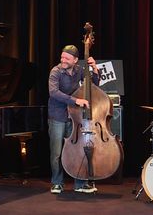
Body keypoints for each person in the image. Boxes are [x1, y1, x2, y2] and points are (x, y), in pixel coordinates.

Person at [48, 44, 101, 194]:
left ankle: (80, 184)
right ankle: (57, 183)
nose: (63, 60)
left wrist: (94, 69)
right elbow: (54, 92)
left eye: (67, 58)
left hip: (74, 117)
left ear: (76, 60)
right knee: (57, 152)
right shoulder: (56, 71)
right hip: (57, 116)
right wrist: (75, 100)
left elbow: (94, 86)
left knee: (77, 150)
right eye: (62, 57)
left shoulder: (79, 70)